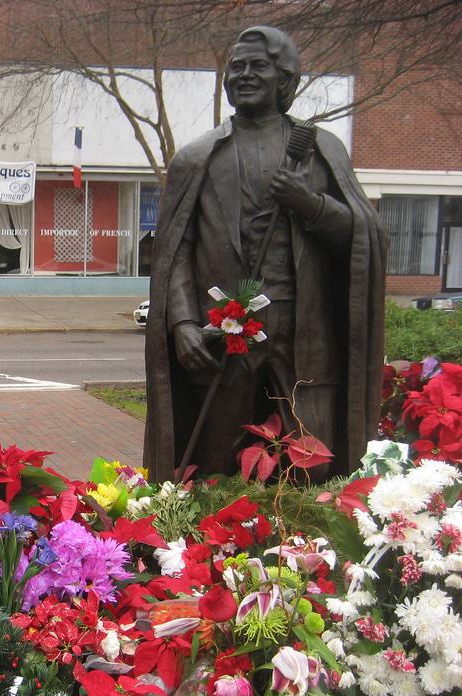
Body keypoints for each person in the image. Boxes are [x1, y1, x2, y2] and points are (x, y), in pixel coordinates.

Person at [143, 26, 387, 482]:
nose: (244, 76)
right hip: (224, 337)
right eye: (237, 68)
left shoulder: (319, 152)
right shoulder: (197, 158)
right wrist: (180, 323)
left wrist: (310, 205)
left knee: (314, 462)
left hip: (306, 333)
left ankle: (306, 548)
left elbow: (367, 235)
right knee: (213, 462)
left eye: (259, 66)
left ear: (287, 80)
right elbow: (174, 250)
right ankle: (205, 549)